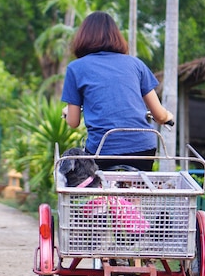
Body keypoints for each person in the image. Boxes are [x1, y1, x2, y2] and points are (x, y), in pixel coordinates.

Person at [61, 11, 173, 172]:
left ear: (83, 37)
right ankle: (135, 198)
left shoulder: (76, 68)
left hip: (102, 151)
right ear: (115, 36)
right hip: (142, 149)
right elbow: (160, 116)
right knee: (137, 191)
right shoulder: (136, 64)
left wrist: (69, 111)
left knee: (103, 193)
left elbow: (73, 122)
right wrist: (168, 116)